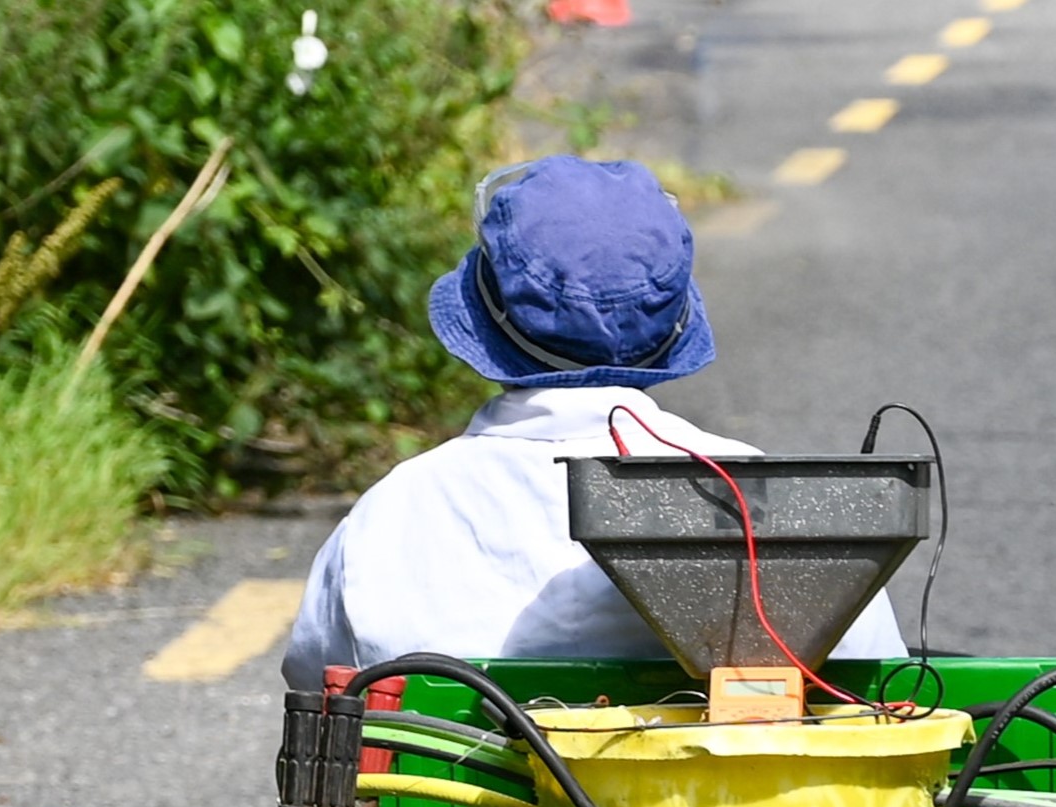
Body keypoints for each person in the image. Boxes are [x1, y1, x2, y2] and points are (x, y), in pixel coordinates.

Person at [279, 156, 907, 690]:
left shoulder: (390, 516)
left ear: (486, 324)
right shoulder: (770, 506)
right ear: (674, 327)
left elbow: (316, 685)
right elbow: (873, 685)